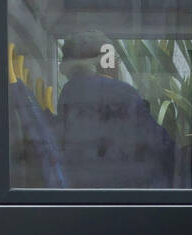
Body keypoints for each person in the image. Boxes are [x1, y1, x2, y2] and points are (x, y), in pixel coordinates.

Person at [56, 32, 178, 189]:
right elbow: (161, 147)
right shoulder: (122, 94)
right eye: (116, 60)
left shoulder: (67, 96)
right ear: (106, 61)